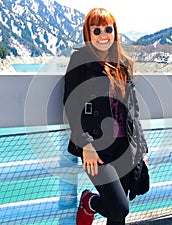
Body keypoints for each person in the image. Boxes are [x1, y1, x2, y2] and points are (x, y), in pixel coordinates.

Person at [63, 7, 149, 225]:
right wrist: (86, 145)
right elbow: (71, 106)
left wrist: (142, 148)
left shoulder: (123, 64)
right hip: (96, 147)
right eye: (97, 30)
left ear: (115, 32)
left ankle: (91, 204)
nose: (103, 36)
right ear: (88, 34)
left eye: (108, 29)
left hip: (124, 146)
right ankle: (89, 201)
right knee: (119, 207)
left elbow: (133, 111)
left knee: (117, 215)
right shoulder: (80, 60)